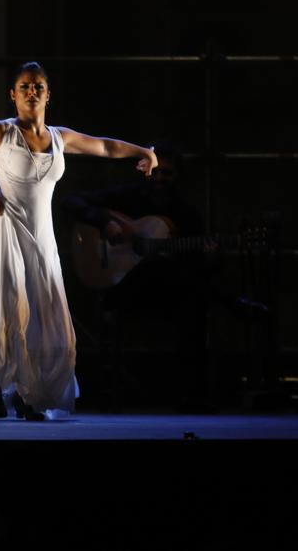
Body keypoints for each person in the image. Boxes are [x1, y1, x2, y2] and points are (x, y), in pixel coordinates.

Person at [0, 61, 157, 419]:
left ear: (48, 95)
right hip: (7, 229)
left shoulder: (60, 137)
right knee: (6, 303)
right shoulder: (1, 131)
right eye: (25, 86)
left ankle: (33, 392)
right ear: (13, 94)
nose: (32, 92)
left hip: (42, 237)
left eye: (38, 87)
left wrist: (143, 152)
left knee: (42, 310)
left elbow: (104, 147)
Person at [59, 144, 216, 411]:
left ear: (177, 176)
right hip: (125, 287)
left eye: (166, 174)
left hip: (166, 291)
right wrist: (104, 222)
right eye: (155, 172)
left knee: (193, 299)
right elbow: (69, 201)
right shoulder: (129, 197)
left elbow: (197, 264)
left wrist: (208, 255)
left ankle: (188, 393)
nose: (159, 179)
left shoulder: (186, 214)